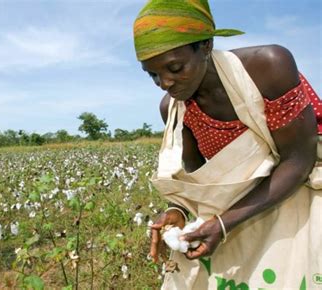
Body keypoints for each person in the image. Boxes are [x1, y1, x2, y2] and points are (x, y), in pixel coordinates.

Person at [133, 1, 321, 289]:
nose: (164, 82)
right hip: (248, 203)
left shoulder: (269, 66)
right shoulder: (175, 109)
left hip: (304, 185)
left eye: (174, 67)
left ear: (206, 46)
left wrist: (223, 224)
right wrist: (179, 211)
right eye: (152, 74)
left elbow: (298, 161)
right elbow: (201, 180)